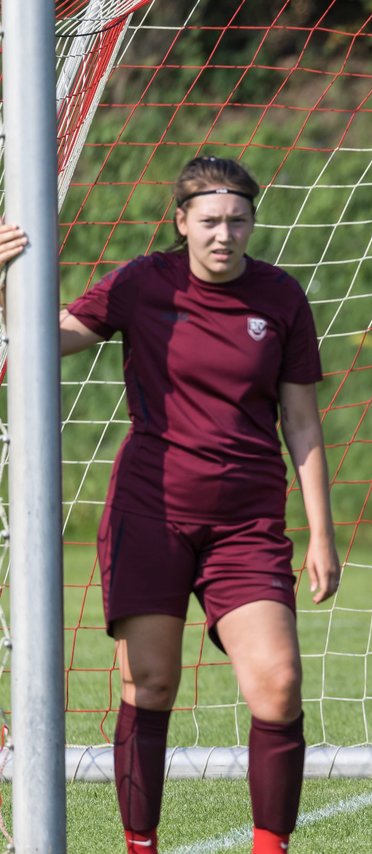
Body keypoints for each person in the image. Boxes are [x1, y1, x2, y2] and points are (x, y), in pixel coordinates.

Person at [0, 156, 340, 853]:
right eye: (210, 222)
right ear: (181, 222)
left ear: (252, 222)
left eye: (238, 221)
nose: (224, 235)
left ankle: (271, 847)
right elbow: (33, 346)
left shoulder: (280, 298)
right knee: (150, 685)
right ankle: (140, 844)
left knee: (278, 684)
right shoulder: (141, 283)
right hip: (149, 514)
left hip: (247, 523)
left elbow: (301, 423)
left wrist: (321, 535)